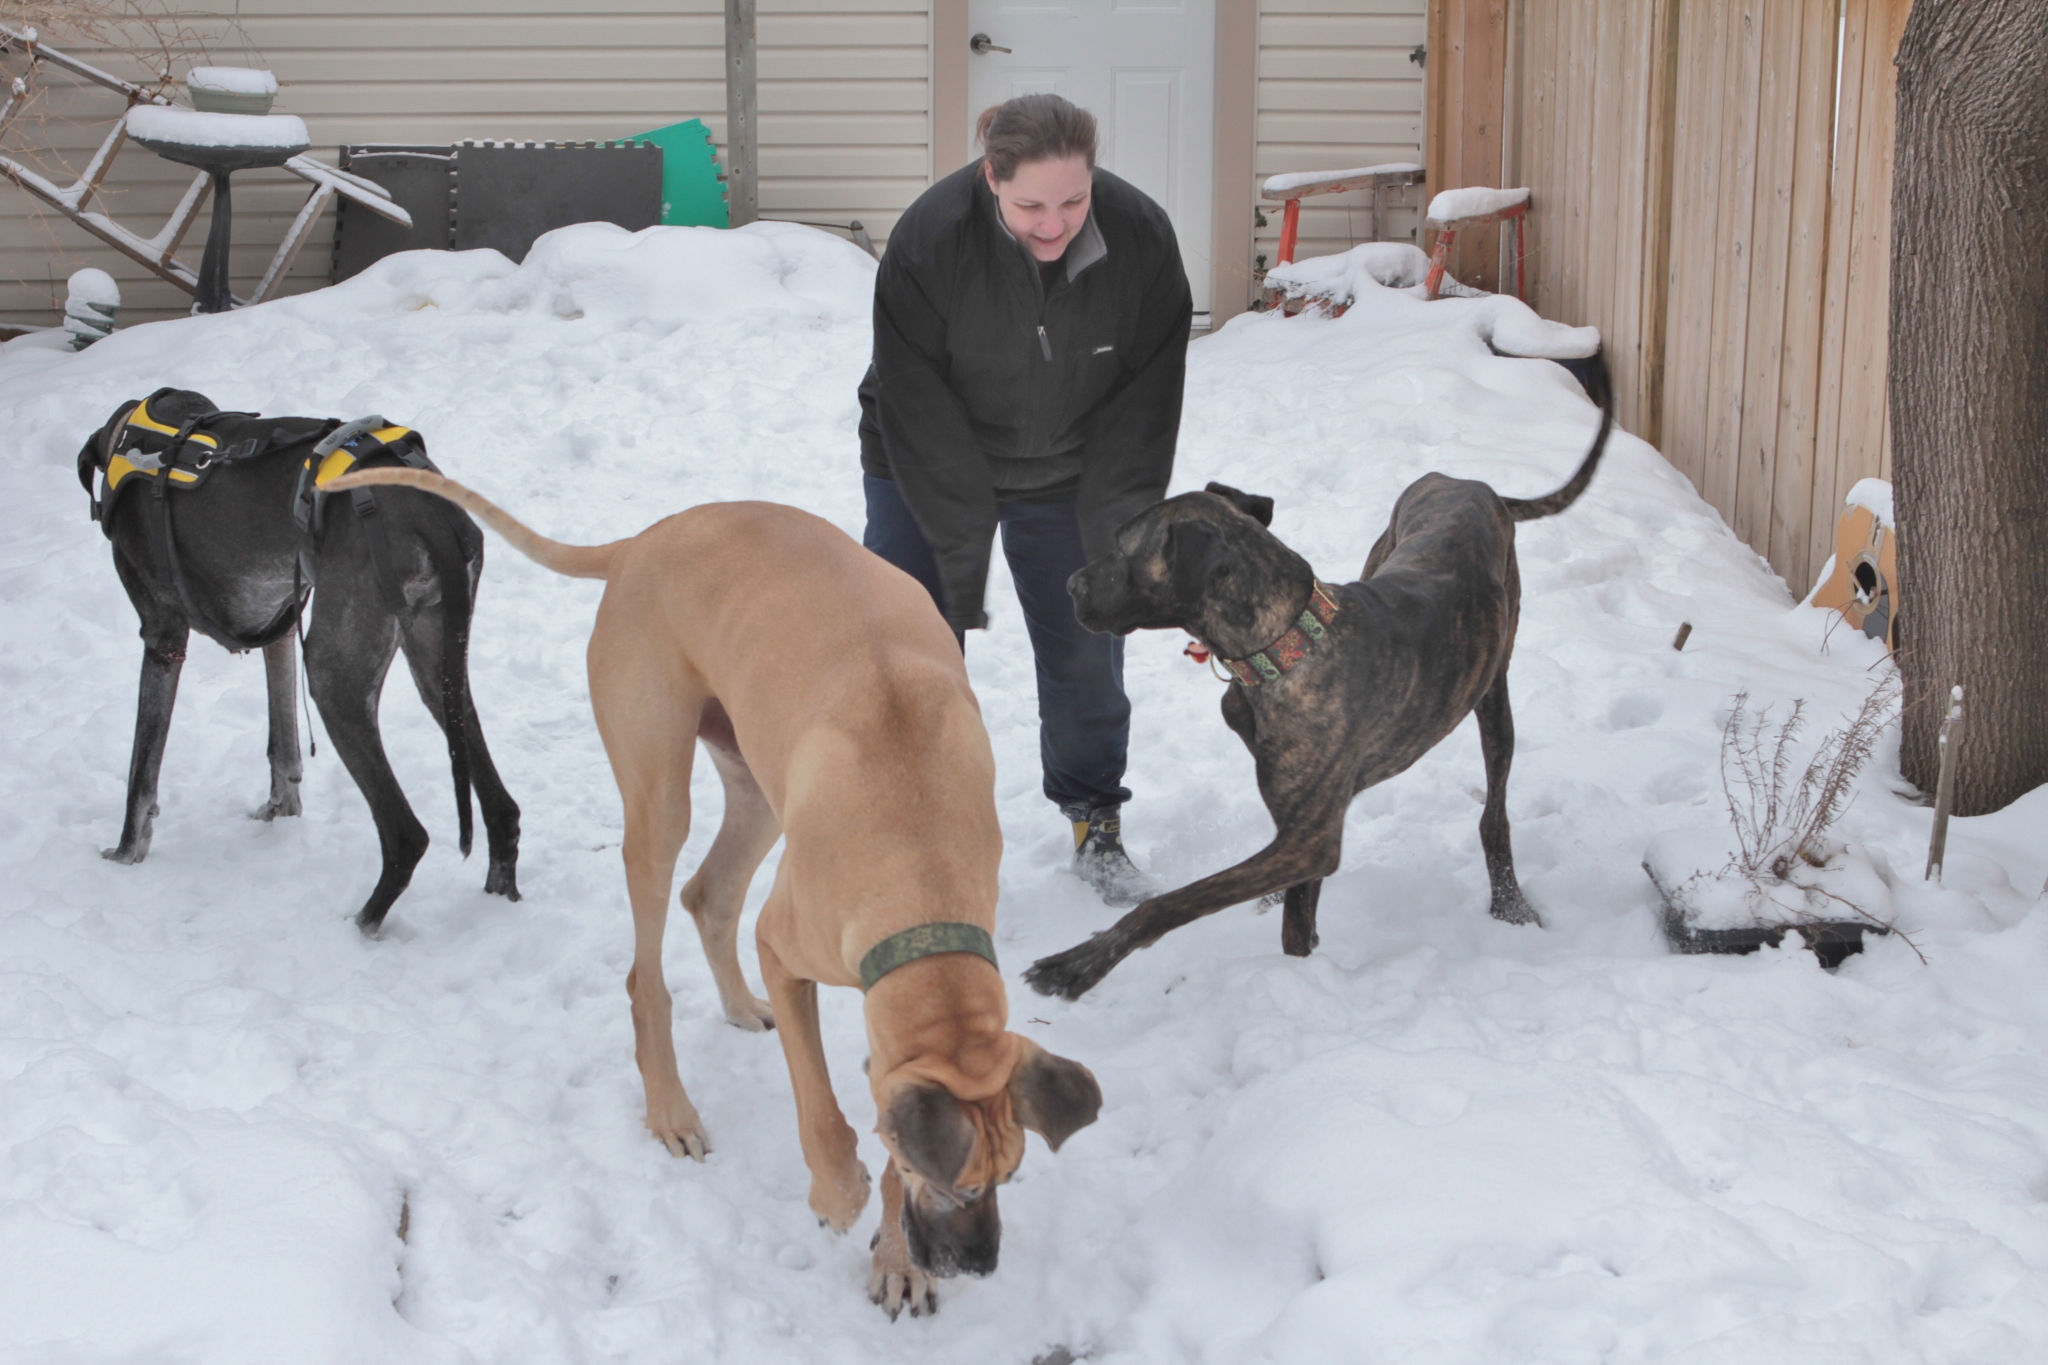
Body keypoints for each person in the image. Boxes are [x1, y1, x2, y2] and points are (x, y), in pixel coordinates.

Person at [857, 93, 1192, 906]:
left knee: (1086, 648)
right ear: (989, 179)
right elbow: (915, 398)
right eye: (1030, 205)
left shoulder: (1140, 239)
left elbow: (1143, 410)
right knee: (915, 649)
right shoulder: (931, 240)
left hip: (1071, 470)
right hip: (926, 458)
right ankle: (916, 828)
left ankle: (1094, 817)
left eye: (1074, 200)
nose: (1054, 225)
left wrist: (1119, 539)